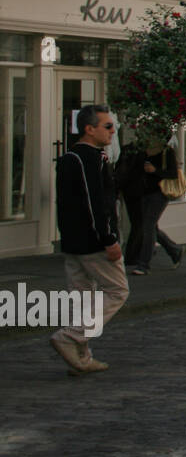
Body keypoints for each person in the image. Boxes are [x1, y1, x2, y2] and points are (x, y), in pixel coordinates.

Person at [51, 105, 127, 374]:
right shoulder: (87, 159)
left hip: (73, 240)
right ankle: (71, 336)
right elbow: (97, 204)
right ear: (89, 129)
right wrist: (108, 239)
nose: (112, 131)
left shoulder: (72, 157)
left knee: (81, 296)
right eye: (107, 126)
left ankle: (81, 357)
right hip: (91, 241)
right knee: (118, 290)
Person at [118, 137, 184, 276]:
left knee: (147, 226)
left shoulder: (167, 151)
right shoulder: (142, 150)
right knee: (151, 227)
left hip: (159, 193)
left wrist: (155, 170)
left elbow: (173, 174)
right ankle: (175, 250)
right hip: (144, 192)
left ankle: (143, 264)